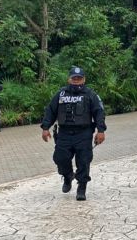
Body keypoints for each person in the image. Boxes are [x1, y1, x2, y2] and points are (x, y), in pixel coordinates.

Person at [41, 67, 106, 201]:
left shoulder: (90, 94)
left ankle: (81, 187)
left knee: (83, 161)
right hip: (64, 133)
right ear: (69, 79)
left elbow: (99, 112)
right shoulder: (61, 94)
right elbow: (50, 110)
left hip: (83, 133)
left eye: (79, 78)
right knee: (60, 158)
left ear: (84, 79)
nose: (76, 81)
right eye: (74, 78)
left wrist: (101, 131)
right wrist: (45, 127)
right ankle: (67, 176)